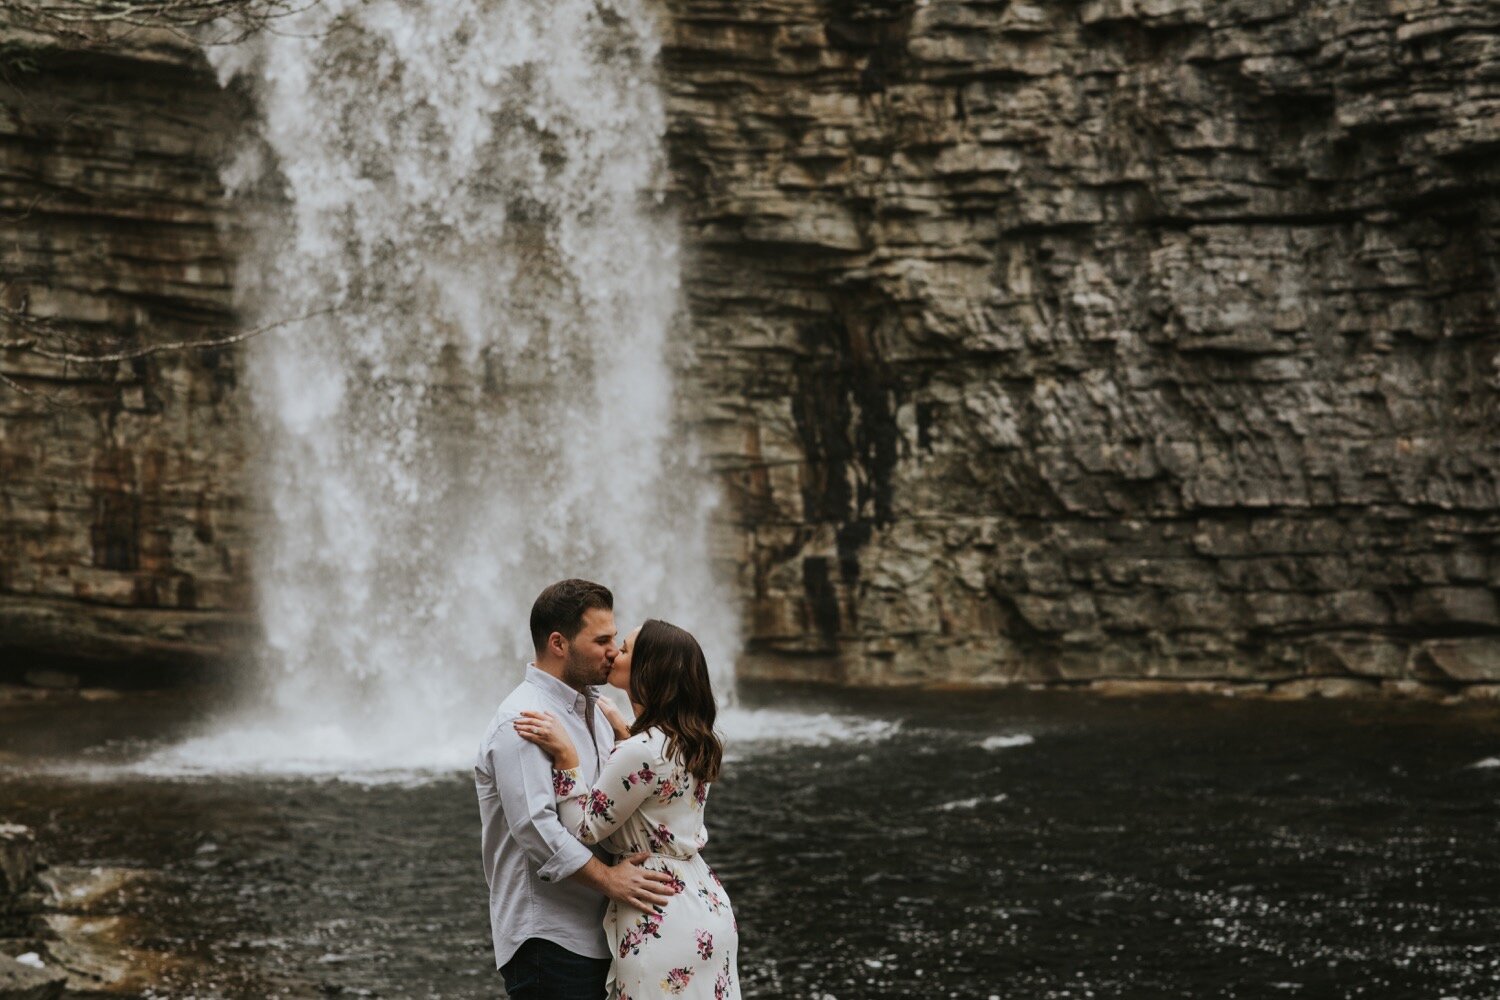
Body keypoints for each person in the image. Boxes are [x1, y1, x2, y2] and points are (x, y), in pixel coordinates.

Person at [475, 579, 680, 1000]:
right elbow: (535, 828)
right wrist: (610, 881)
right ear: (558, 643)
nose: (614, 652)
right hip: (550, 938)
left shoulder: (596, 712)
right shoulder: (522, 721)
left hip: (602, 931)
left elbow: (607, 807)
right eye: (602, 640)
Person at [515, 618, 740, 1000]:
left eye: (625, 649)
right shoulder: (689, 741)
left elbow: (585, 829)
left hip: (656, 908)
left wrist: (567, 757)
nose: (614, 653)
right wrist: (626, 733)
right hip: (704, 902)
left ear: (647, 669)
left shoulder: (642, 750)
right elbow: (657, 798)